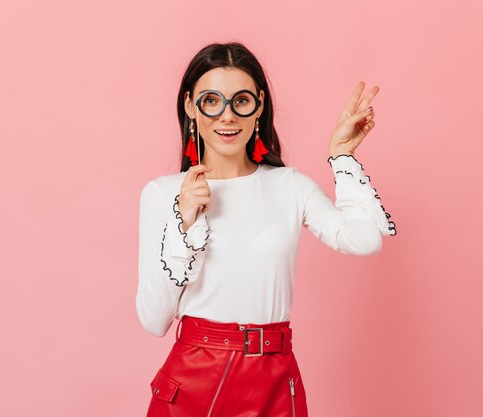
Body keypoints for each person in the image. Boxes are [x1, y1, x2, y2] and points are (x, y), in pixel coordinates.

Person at [136, 41, 397, 417]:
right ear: (191, 106)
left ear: (258, 104)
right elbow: (153, 320)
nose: (227, 116)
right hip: (194, 381)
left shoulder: (289, 186)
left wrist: (342, 155)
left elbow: (364, 240)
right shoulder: (163, 194)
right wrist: (184, 223)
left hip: (274, 379)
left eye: (240, 101)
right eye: (212, 101)